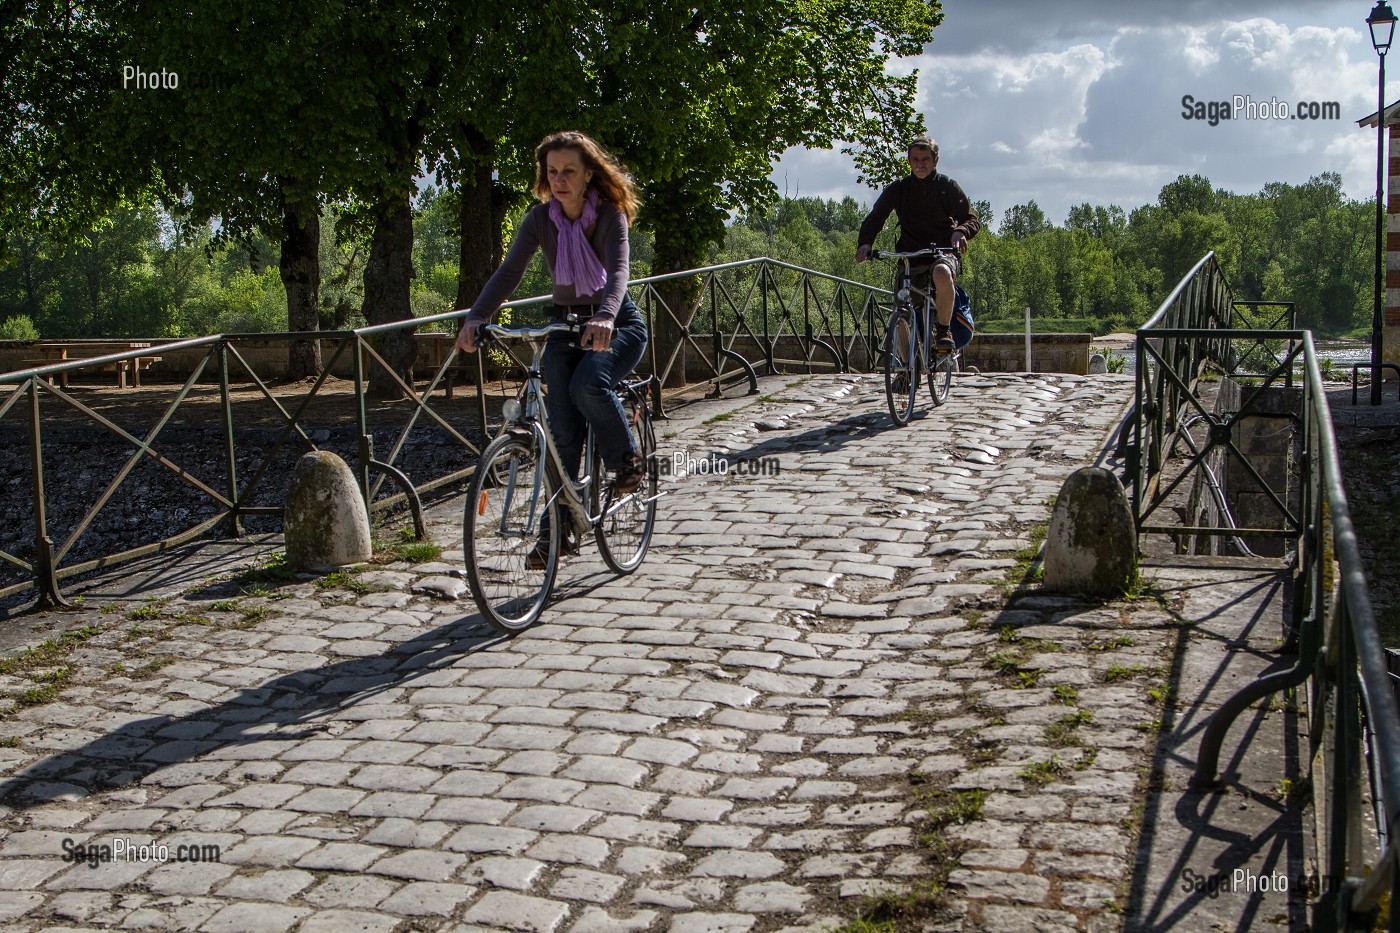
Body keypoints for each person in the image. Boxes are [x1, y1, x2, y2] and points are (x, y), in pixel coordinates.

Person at [455, 130, 647, 564]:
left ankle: (628, 462)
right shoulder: (541, 219)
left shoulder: (610, 215)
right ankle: (556, 533)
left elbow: (618, 273)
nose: (559, 180)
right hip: (564, 327)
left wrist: (605, 316)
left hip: (616, 323)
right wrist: (476, 318)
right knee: (561, 436)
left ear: (588, 175)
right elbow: (508, 274)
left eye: (569, 172)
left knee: (587, 387)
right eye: (552, 171)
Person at [855, 135, 980, 351]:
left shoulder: (946, 186)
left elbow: (971, 219)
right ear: (909, 161)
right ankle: (904, 369)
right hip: (910, 256)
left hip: (942, 252)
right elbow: (876, 217)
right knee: (901, 311)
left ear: (935, 161)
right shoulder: (900, 188)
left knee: (941, 273)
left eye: (925, 160)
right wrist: (865, 243)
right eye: (915, 160)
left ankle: (943, 331)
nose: (920, 164)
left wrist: (961, 231)